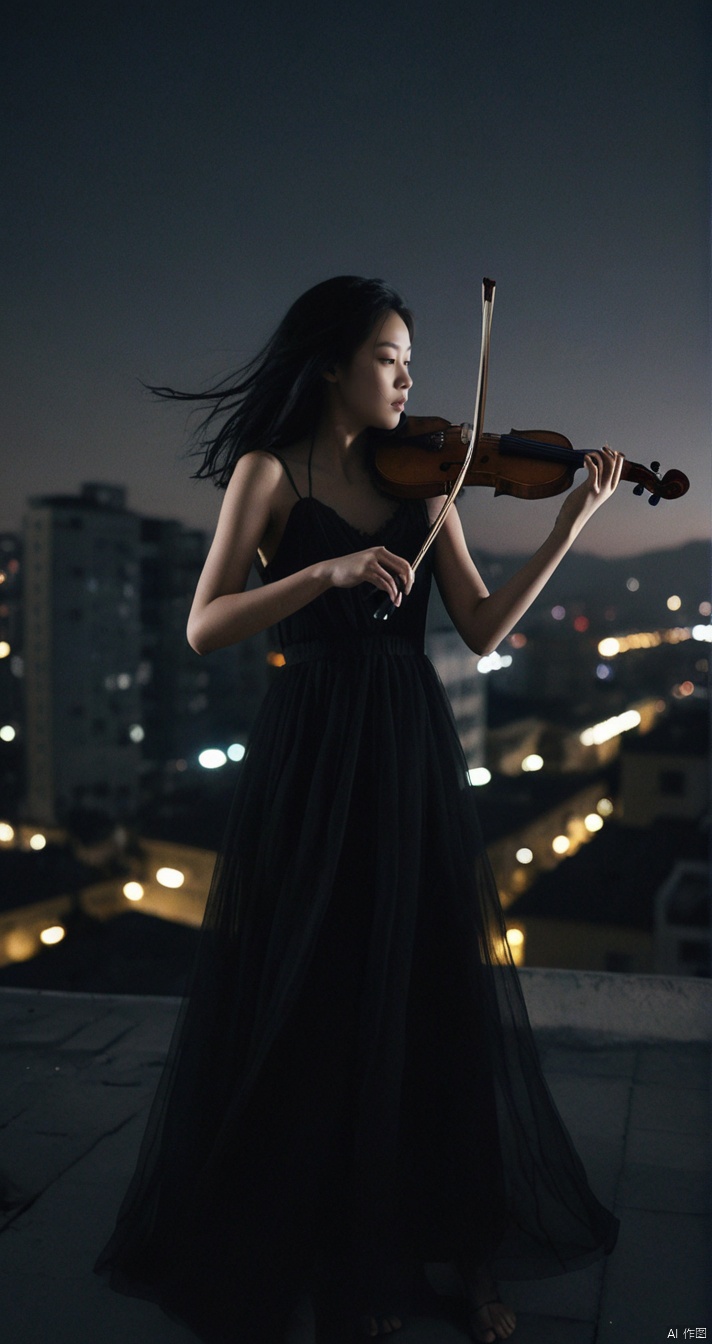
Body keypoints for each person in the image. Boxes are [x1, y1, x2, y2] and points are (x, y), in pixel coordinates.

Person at [94, 276, 621, 1344]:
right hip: (311, 739)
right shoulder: (270, 470)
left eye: (412, 366)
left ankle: (454, 1244)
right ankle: (331, 1240)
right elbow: (205, 624)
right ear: (332, 365)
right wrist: (325, 569)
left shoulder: (431, 487)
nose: (409, 384)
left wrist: (569, 521)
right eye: (389, 360)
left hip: (401, 738)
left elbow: (479, 629)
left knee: (426, 978)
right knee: (319, 979)